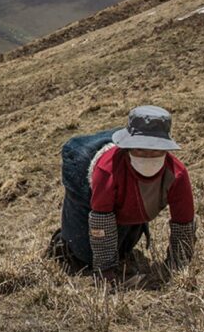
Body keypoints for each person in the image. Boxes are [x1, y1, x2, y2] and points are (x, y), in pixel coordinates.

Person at [50, 106, 196, 285]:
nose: (148, 155)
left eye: (156, 150)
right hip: (89, 193)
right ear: (129, 148)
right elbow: (101, 219)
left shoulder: (177, 175)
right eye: (140, 149)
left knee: (124, 248)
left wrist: (177, 265)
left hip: (134, 204)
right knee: (84, 255)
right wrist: (106, 270)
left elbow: (184, 223)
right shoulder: (108, 170)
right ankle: (63, 242)